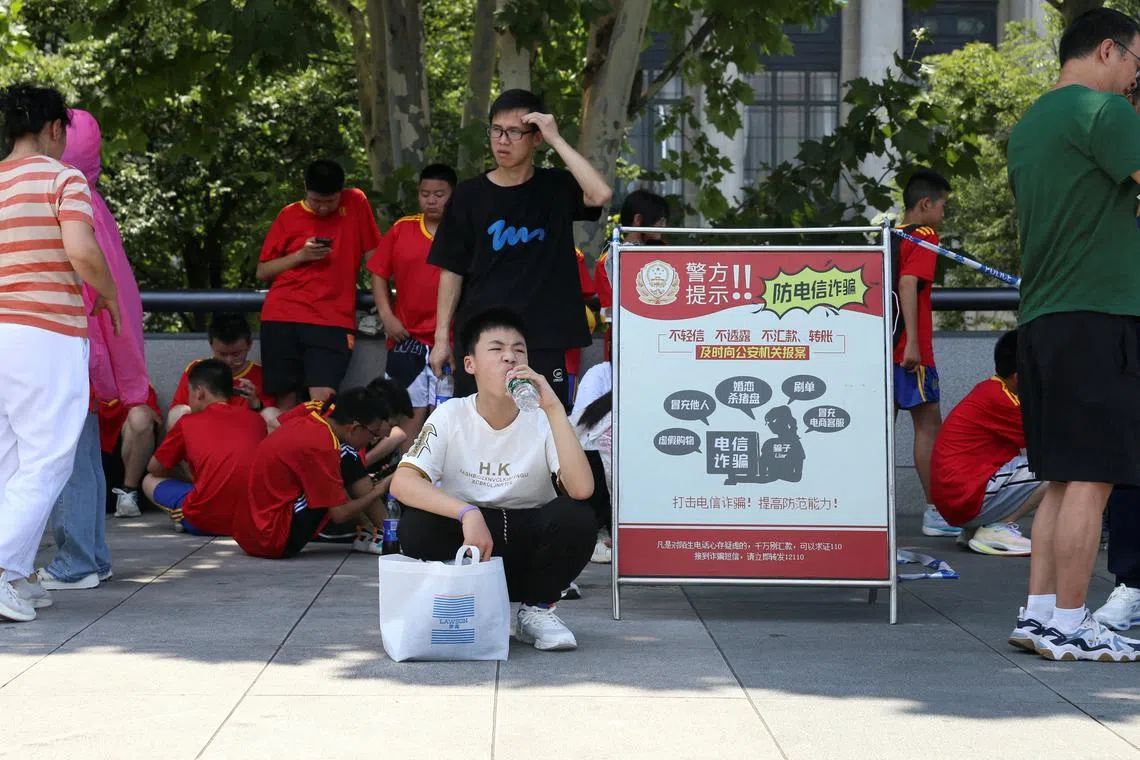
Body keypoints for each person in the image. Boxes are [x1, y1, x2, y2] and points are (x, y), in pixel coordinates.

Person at [1005, 7, 1140, 661]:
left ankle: (1039, 616)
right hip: (1097, 315)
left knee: (1060, 476)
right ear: (1109, 51)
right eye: (1137, 63)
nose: (1135, 79)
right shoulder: (1103, 113)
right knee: (1091, 477)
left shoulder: (1033, 122)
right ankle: (1070, 622)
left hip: (1043, 319)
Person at [391, 308, 596, 651]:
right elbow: (403, 482)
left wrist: (554, 408)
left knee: (577, 517)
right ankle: (463, 603)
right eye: (497, 348)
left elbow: (582, 489)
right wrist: (466, 513)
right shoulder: (452, 413)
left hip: (529, 540)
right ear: (470, 365)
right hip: (472, 542)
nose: (510, 357)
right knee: (416, 526)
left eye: (519, 350)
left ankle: (537, 610)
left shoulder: (544, 417)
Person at [0, 84, 121, 622]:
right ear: (54, 129)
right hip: (44, 333)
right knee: (48, 458)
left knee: (8, 459)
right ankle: (2, 569)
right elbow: (80, 250)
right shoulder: (62, 178)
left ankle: (17, 574)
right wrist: (111, 294)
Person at [427, 89, 613, 406]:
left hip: (543, 336)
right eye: (496, 131)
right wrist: (441, 337)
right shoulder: (469, 196)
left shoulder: (557, 187)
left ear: (535, 137)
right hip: (482, 335)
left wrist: (556, 139)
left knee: (542, 429)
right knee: (478, 429)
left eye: (514, 132)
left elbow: (600, 195)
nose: (502, 141)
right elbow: (452, 270)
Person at [33, 108, 150, 594]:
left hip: (66, 345)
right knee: (78, 456)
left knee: (69, 461)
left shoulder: (66, 198)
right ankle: (91, 557)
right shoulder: (93, 202)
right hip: (90, 349)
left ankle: (76, 560)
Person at [256, 159, 382, 410]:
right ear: (305, 189)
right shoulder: (289, 215)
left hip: (331, 318)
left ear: (341, 193)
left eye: (330, 202)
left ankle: (320, 447)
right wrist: (300, 256)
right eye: (317, 202)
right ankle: (288, 448)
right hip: (282, 314)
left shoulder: (355, 202)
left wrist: (384, 305)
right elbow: (263, 271)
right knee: (285, 400)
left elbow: (374, 257)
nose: (324, 208)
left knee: (323, 400)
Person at [231, 387, 390, 559]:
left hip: (248, 536)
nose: (372, 440)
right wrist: (378, 491)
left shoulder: (307, 420)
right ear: (354, 428)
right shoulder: (325, 446)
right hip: (273, 539)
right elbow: (340, 514)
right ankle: (392, 536)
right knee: (347, 455)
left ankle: (381, 531)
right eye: (373, 433)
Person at [930, 331, 1043, 557]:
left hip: (957, 499)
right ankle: (997, 528)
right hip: (966, 496)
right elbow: (1050, 437)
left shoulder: (993, 389)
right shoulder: (1001, 399)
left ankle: (976, 530)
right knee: (1059, 465)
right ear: (1019, 375)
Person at [368, 163, 456, 446]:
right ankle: (404, 480)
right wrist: (386, 314)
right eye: (425, 193)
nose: (431, 200)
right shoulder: (402, 229)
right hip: (406, 338)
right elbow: (378, 272)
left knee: (447, 415)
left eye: (440, 194)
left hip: (452, 340)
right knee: (405, 415)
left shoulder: (467, 232)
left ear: (454, 195)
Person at [889, 169, 952, 539]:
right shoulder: (925, 236)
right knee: (929, 427)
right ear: (925, 205)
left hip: (883, 347)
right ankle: (935, 511)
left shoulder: (890, 237)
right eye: (942, 206)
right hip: (910, 353)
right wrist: (913, 342)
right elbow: (908, 282)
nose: (943, 214)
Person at [142, 360, 268, 536]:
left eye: (190, 391)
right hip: (252, 521)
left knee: (149, 479)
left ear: (199, 392)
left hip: (205, 521)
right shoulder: (256, 420)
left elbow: (154, 467)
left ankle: (184, 516)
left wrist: (187, 476)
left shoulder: (187, 422)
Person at [167, 313, 279, 430]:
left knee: (271, 414)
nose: (229, 360)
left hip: (244, 432)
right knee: (177, 413)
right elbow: (180, 410)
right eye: (222, 354)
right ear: (211, 344)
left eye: (236, 354)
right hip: (204, 431)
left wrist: (256, 404)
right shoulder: (197, 369)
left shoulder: (261, 373)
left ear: (249, 344)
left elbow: (270, 416)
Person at [594, 190, 670, 361]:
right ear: (638, 220)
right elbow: (610, 311)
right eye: (660, 220)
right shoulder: (610, 260)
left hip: (661, 338)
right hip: (625, 343)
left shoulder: (662, 252)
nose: (663, 226)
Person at [96, 385, 163, 518]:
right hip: (87, 472)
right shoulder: (78, 385)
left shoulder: (139, 387)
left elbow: (157, 423)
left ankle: (128, 493)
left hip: (122, 470)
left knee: (141, 416)